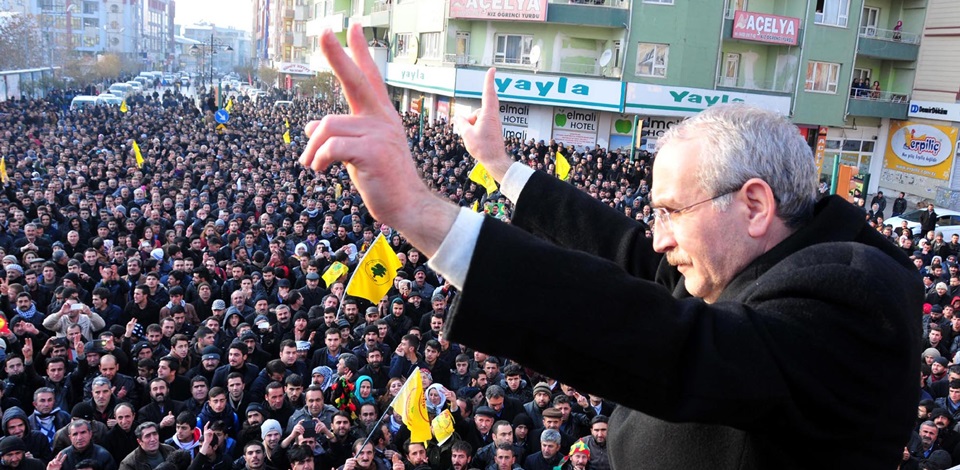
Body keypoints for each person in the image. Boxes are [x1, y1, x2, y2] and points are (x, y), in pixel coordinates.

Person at [299, 23, 920, 468]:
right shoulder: (754, 255)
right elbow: (632, 253)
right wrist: (505, 171)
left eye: (672, 211)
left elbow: (678, 345)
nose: (658, 235)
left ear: (754, 206)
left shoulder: (850, 300)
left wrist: (421, 212)